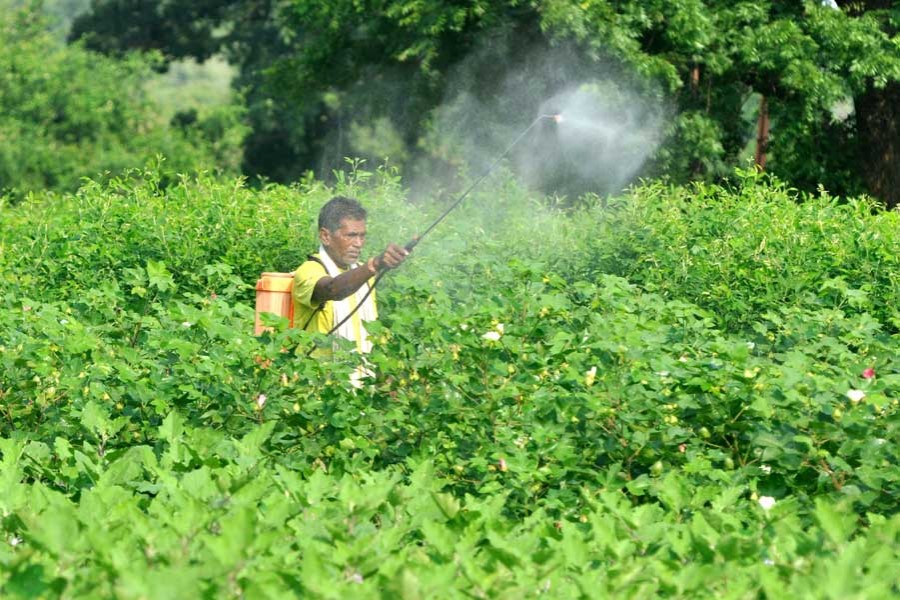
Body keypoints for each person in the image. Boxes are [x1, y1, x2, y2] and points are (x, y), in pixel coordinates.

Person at [292, 196, 409, 354]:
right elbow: (332, 289)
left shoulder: (364, 274)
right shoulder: (309, 270)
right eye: (351, 235)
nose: (359, 243)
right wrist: (374, 264)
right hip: (319, 376)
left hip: (361, 375)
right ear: (325, 236)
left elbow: (371, 331)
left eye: (362, 236)